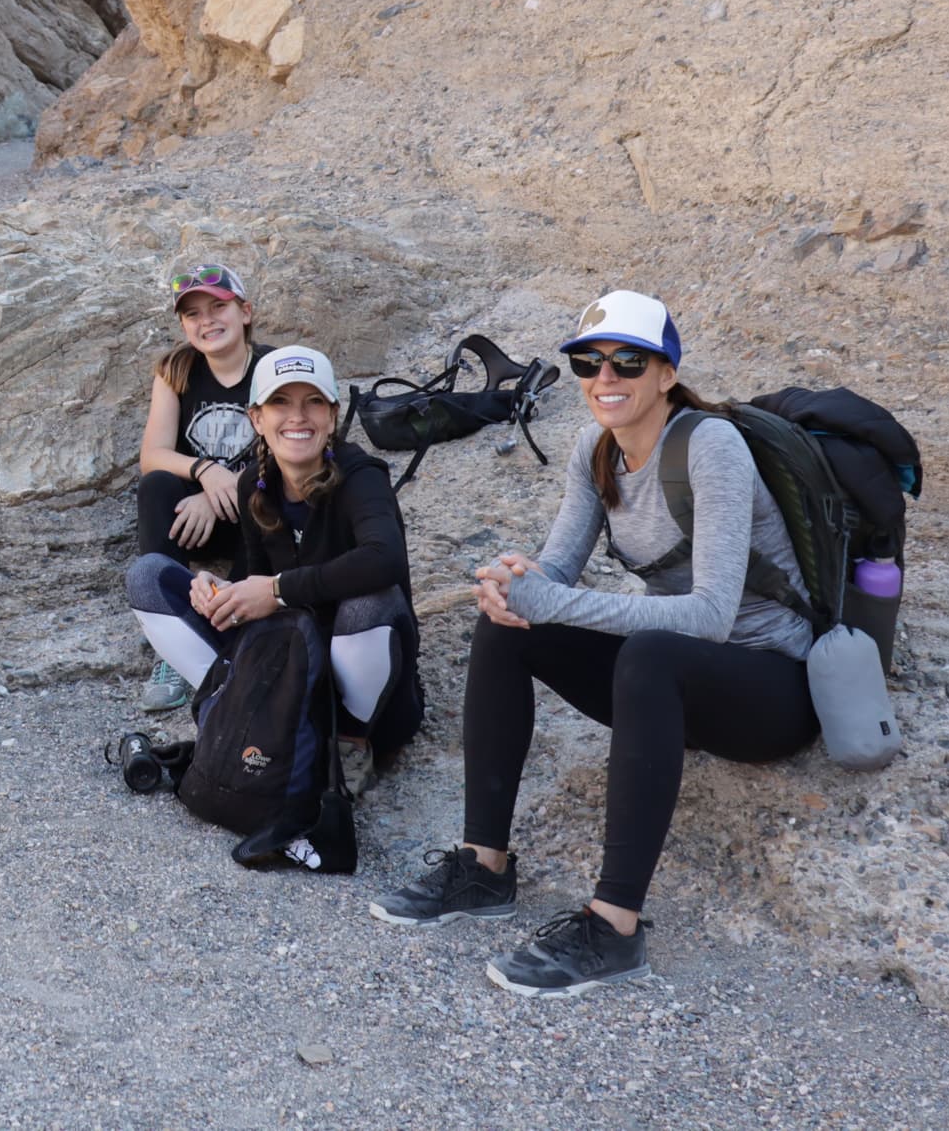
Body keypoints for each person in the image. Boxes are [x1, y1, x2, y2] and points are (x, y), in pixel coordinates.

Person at [368, 290, 821, 999]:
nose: (605, 378)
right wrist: (516, 584)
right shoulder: (595, 448)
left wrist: (552, 599)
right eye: (588, 362)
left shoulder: (711, 446)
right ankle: (482, 867)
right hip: (676, 686)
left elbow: (710, 616)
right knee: (508, 625)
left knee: (649, 649)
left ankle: (614, 928)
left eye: (628, 362)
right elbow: (557, 569)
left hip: (771, 687)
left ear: (666, 373)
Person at [125, 346, 422, 768]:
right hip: (289, 675)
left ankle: (349, 744)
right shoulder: (255, 485)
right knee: (148, 577)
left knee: (371, 600)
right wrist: (222, 593)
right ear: (257, 419)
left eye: (313, 402)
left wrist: (278, 591)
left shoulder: (361, 476)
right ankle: (234, 711)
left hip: (366, 697)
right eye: (280, 402)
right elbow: (256, 581)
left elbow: (384, 558)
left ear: (332, 415)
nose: (297, 417)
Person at [130, 264, 268, 715]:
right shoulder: (176, 370)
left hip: (252, 517)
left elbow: (293, 457)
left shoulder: (271, 370)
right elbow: (153, 455)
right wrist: (205, 473)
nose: (206, 320)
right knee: (156, 486)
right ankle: (172, 643)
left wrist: (223, 492)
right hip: (194, 522)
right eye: (193, 314)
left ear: (245, 312)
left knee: (271, 494)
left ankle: (236, 632)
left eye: (217, 307)